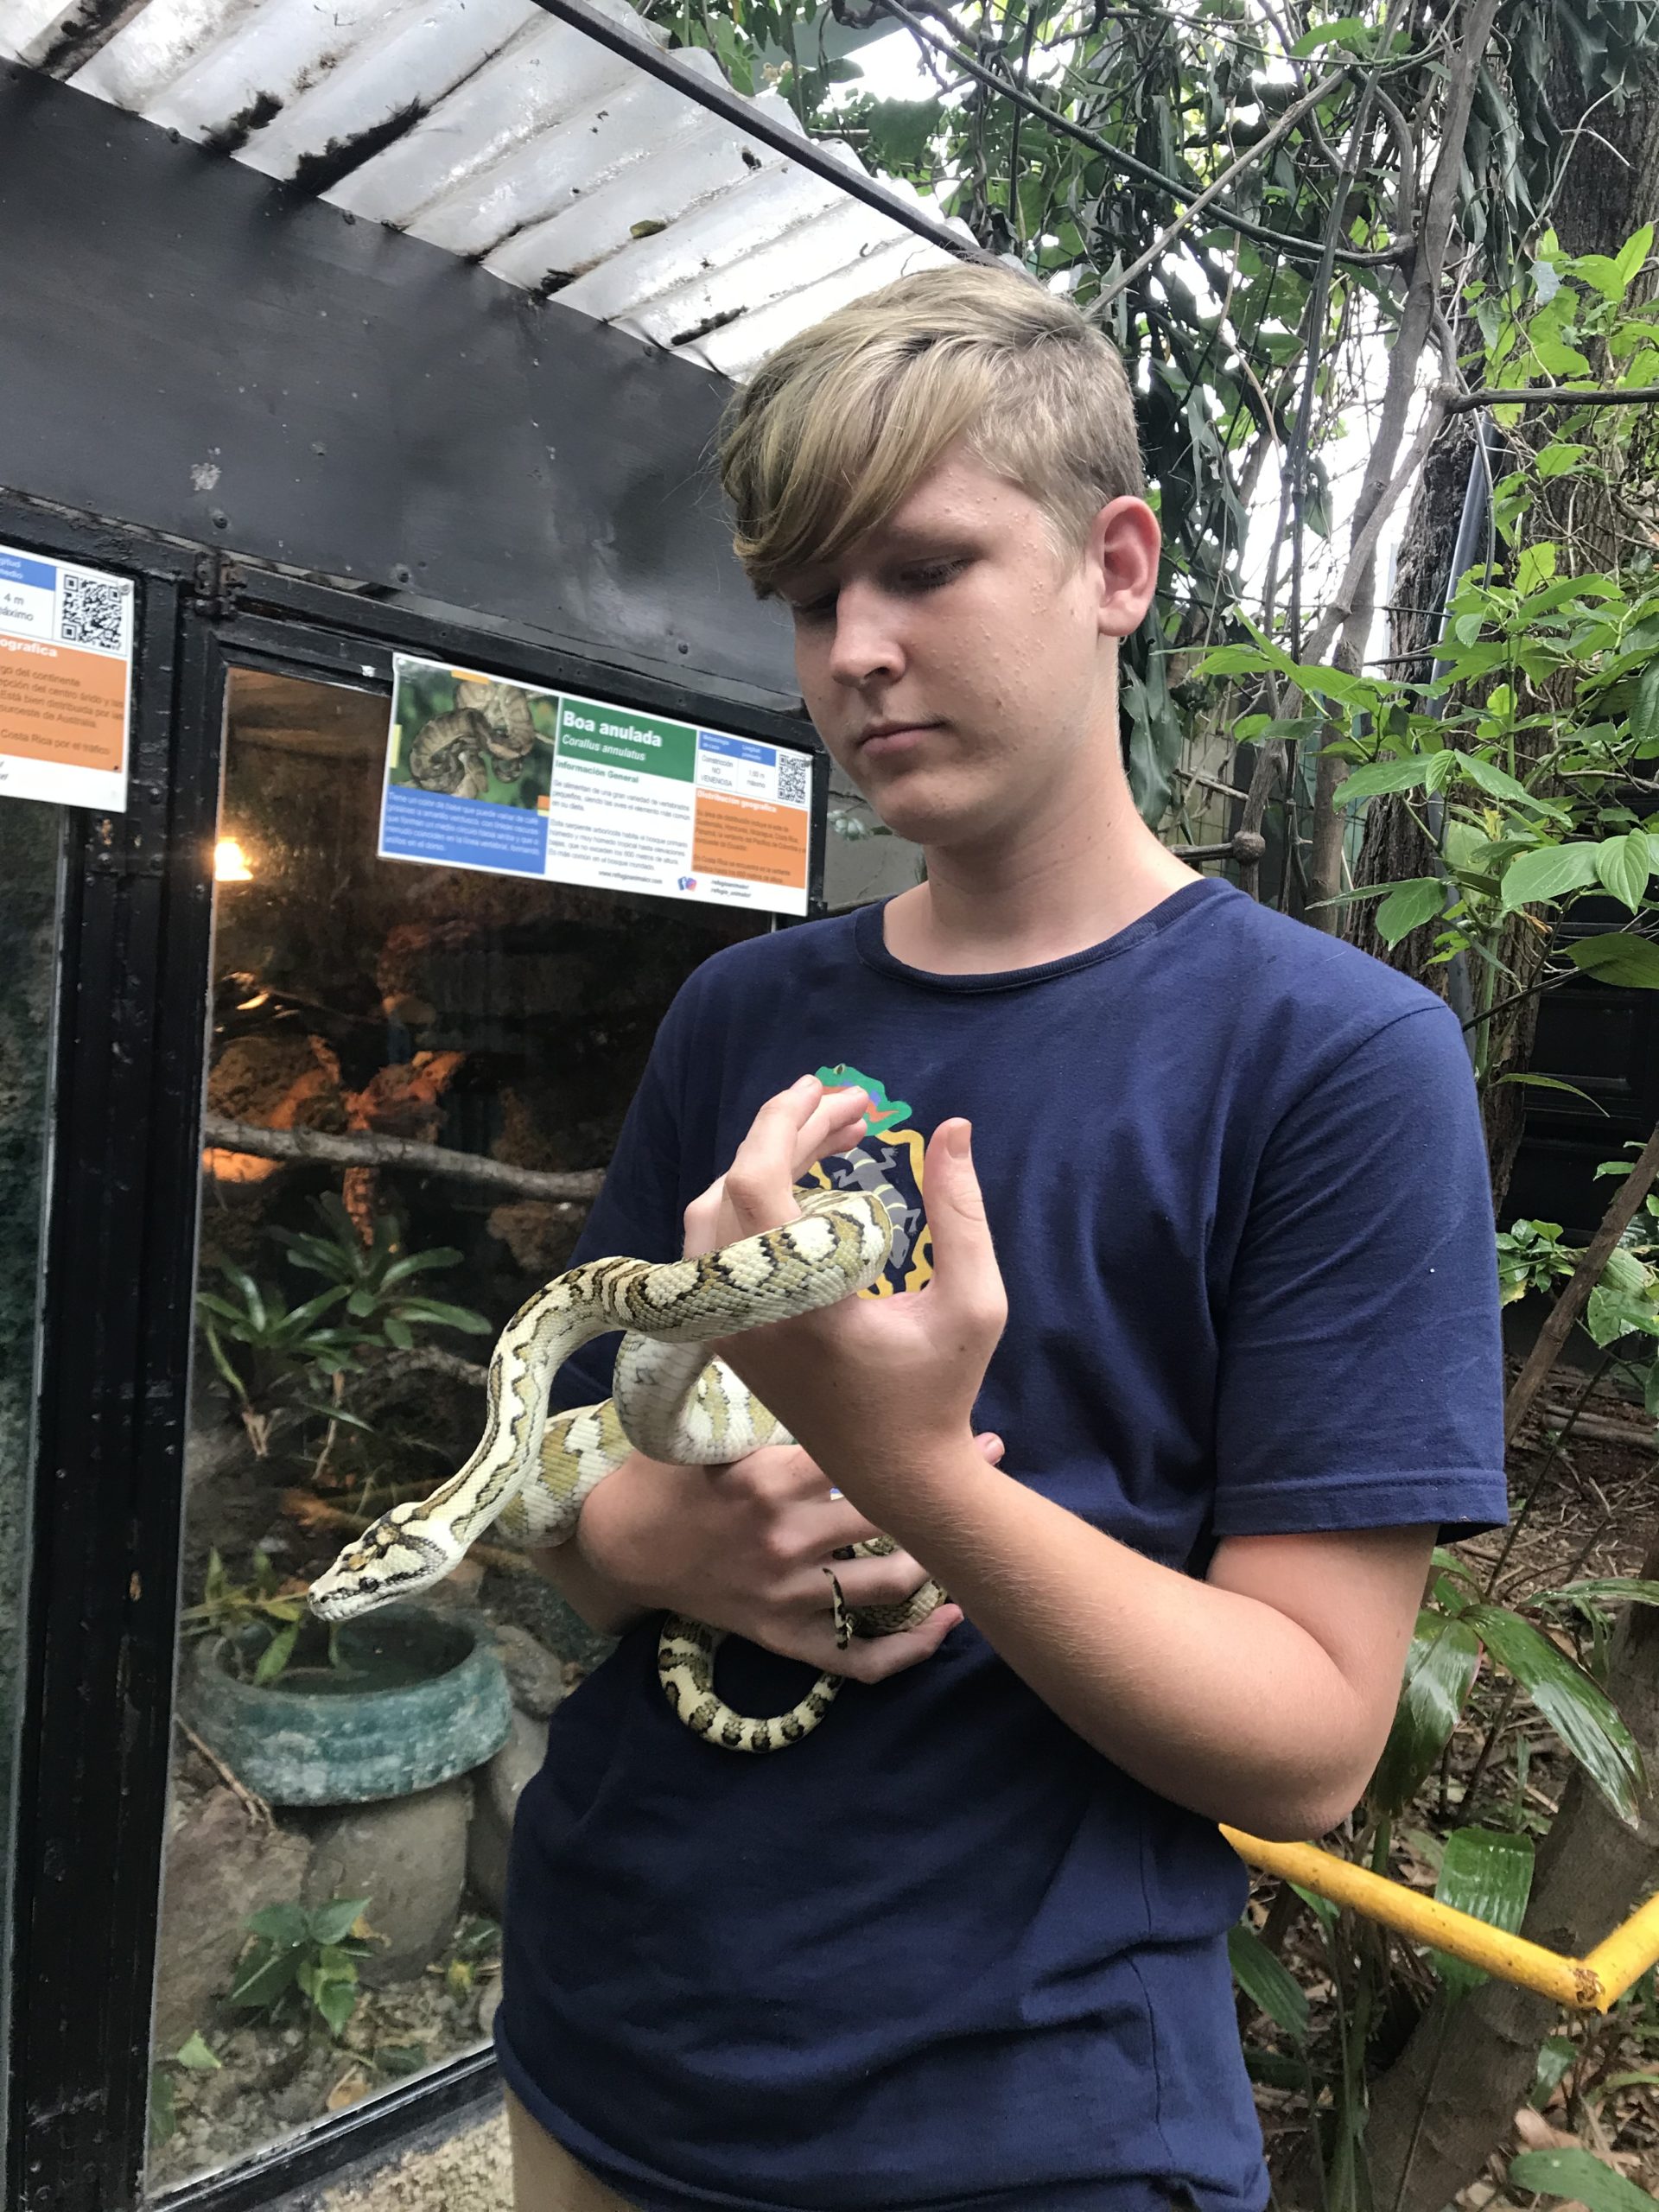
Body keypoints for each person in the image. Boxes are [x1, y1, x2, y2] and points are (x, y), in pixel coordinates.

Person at [494, 263, 1508, 2212]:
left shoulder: (1332, 1058)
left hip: (1019, 2120)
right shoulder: (742, 1011)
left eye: (925, 568)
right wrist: (660, 1538)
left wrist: (909, 1472)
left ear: (1116, 565)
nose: (857, 651)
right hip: (606, 2036)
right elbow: (571, 1493)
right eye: (812, 601)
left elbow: (1312, 1743)